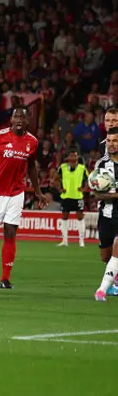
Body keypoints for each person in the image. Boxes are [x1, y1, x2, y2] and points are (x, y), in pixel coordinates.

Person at [0, 107, 47, 289]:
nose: (18, 120)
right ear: (11, 119)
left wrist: (38, 191)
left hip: (16, 193)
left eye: (22, 117)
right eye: (16, 116)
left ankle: (5, 278)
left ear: (27, 121)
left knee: (10, 232)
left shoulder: (32, 142)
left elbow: (31, 166)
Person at [92, 128, 118, 301]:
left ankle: (101, 290)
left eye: (115, 140)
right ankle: (113, 280)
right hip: (107, 215)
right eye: (108, 141)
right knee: (106, 256)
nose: (111, 144)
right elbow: (95, 193)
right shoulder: (101, 164)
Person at [54, 148, 88, 247]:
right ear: (68, 157)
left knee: (80, 217)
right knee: (64, 217)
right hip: (66, 196)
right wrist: (60, 189)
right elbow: (55, 179)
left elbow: (89, 180)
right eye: (71, 155)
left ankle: (81, 241)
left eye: (75, 155)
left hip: (78, 196)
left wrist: (84, 188)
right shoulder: (63, 167)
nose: (73, 157)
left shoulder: (82, 168)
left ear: (77, 157)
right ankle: (65, 240)